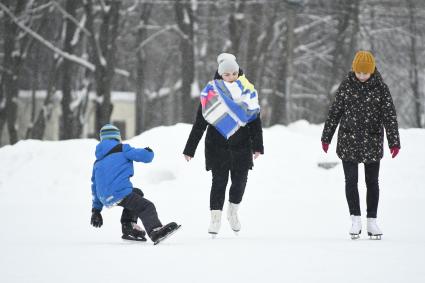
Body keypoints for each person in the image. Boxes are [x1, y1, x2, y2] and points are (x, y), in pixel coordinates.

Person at [321, 50, 401, 240]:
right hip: (348, 141)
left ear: (372, 71)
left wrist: (394, 141)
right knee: (351, 181)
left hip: (372, 142)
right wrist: (327, 137)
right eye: (359, 72)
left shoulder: (381, 88)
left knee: (372, 182)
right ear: (354, 70)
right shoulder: (346, 86)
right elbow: (335, 112)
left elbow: (389, 116)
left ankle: (372, 221)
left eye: (366, 73)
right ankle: (355, 218)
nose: (362, 76)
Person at [183, 53, 264, 237]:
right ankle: (215, 218)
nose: (230, 76)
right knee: (218, 183)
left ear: (238, 72)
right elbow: (200, 122)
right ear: (221, 74)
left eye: (234, 73)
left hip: (242, 145)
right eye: (226, 74)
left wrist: (257, 145)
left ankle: (233, 212)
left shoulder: (247, 91)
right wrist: (190, 149)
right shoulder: (211, 93)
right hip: (217, 145)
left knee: (240, 183)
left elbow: (254, 120)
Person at [90, 124, 180, 244]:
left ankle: (128, 227)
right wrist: (148, 151)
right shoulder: (122, 148)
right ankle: (155, 231)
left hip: (105, 198)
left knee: (136, 193)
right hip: (120, 192)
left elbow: (95, 186)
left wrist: (96, 210)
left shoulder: (98, 162)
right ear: (117, 137)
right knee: (147, 207)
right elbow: (145, 157)